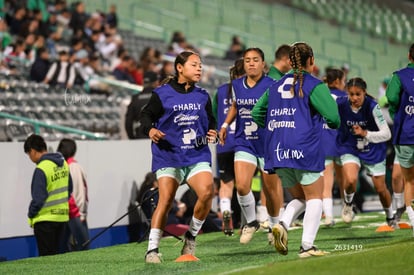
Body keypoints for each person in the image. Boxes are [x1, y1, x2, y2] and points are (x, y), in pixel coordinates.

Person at [252, 41, 340, 258]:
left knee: (300, 197)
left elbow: (256, 113)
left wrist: (279, 127)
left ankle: (281, 224)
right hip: (303, 147)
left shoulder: (274, 85)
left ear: (290, 62)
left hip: (277, 149)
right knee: (315, 197)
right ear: (311, 61)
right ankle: (307, 246)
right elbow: (334, 117)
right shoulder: (314, 84)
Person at [139, 51, 217, 263]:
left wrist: (213, 131)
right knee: (165, 200)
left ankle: (190, 237)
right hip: (168, 155)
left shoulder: (202, 95)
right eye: (194, 65)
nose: (199, 68)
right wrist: (150, 131)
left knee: (207, 192)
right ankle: (152, 250)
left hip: (196, 154)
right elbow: (145, 116)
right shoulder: (161, 94)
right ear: (180, 68)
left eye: (200, 65)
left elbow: (211, 121)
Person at [218, 47, 282, 245]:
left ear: (263, 64)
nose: (251, 63)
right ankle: (252, 222)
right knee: (242, 185)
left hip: (267, 144)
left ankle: (274, 225)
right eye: (247, 60)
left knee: (270, 191)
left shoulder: (273, 85)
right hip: (244, 141)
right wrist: (225, 124)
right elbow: (236, 106)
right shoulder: (236, 84)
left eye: (255, 60)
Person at [336, 77, 394, 226]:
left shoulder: (373, 107)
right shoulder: (340, 104)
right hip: (350, 147)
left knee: (381, 189)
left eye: (358, 94)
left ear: (364, 93)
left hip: (373, 148)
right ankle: (348, 205)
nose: (354, 98)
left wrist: (365, 134)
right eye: (351, 94)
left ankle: (390, 217)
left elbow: (387, 134)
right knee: (350, 180)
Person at [24, 134, 72, 256]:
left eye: (29, 154)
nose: (30, 158)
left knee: (46, 262)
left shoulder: (41, 168)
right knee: (61, 260)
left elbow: (38, 199)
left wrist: (30, 213)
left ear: (33, 151)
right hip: (63, 219)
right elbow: (69, 188)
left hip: (45, 222)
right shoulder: (64, 164)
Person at [212, 58, 245, 236]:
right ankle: (247, 221)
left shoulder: (220, 91)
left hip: (223, 143)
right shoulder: (248, 89)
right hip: (242, 142)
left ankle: (225, 209)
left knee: (226, 184)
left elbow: (214, 115)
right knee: (243, 184)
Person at [385, 43, 414, 234]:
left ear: (409, 56)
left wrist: (398, 114)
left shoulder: (400, 76)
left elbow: (391, 98)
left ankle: (413, 222)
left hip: (406, 134)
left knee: (409, 180)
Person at [320, 67, 347, 227]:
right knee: (346, 180)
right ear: (337, 81)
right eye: (343, 81)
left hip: (324, 141)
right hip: (341, 141)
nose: (344, 84)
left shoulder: (321, 95)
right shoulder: (345, 96)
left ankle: (329, 216)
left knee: (327, 182)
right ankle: (347, 208)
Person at [56, 138, 90, 250]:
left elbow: (77, 192)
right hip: (75, 213)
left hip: (73, 212)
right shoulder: (73, 166)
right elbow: (80, 192)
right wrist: (81, 213)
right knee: (83, 247)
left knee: (67, 246)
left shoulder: (71, 167)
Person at [125, 71, 160, 139]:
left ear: (143, 82)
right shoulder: (160, 96)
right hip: (158, 136)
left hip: (141, 135)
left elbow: (128, 122)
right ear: (156, 82)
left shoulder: (135, 98)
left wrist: (132, 138)